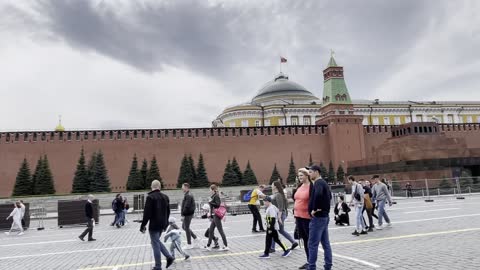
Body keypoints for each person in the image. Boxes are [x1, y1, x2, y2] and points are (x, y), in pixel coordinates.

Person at [140, 180, 175, 270]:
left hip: (154, 224)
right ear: (159, 187)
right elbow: (168, 212)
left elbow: (147, 213)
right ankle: (168, 257)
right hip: (162, 224)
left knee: (155, 243)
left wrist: (143, 225)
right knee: (155, 241)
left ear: (152, 187)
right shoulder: (165, 197)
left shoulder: (150, 197)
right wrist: (166, 224)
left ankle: (158, 266)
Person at [307, 165, 332, 270]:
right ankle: (328, 265)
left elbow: (318, 194)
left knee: (312, 244)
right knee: (325, 243)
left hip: (318, 218)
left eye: (311, 172)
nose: (309, 174)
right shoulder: (323, 183)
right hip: (324, 217)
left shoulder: (318, 183)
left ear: (317, 172)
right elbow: (330, 196)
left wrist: (315, 208)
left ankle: (311, 267)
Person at [271, 180, 298, 252]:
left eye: (272, 184)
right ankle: (293, 242)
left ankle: (272, 248)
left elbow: (281, 207)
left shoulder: (278, 194)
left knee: (275, 230)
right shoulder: (277, 194)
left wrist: (279, 217)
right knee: (280, 230)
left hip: (279, 214)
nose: (271, 186)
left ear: (275, 186)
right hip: (279, 214)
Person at [294, 168, 313, 269]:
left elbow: (314, 200)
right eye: (299, 175)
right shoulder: (300, 186)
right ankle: (308, 261)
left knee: (309, 240)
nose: (299, 177)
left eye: (301, 175)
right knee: (305, 240)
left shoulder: (311, 186)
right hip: (298, 217)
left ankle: (312, 262)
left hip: (307, 217)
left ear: (307, 175)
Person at [205, 184, 229, 251]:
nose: (209, 191)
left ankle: (226, 246)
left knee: (220, 230)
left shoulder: (216, 196)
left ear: (213, 190)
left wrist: (210, 202)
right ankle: (208, 246)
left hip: (217, 215)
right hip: (215, 215)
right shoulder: (213, 196)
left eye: (210, 189)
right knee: (211, 231)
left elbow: (218, 205)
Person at [181, 183, 200, 249]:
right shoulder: (187, 194)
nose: (182, 188)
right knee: (184, 227)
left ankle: (189, 244)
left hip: (188, 214)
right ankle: (195, 238)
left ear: (186, 187)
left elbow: (186, 206)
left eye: (182, 187)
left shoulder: (188, 195)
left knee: (186, 227)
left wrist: (183, 215)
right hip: (188, 213)